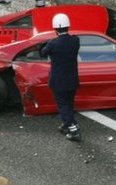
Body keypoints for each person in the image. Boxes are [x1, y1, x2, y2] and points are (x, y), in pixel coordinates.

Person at [41, 13, 81, 142]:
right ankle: (66, 124)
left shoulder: (53, 44)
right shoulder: (75, 41)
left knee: (63, 105)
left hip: (58, 81)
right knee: (69, 103)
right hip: (72, 79)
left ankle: (72, 128)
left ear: (55, 29)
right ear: (68, 26)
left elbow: (43, 52)